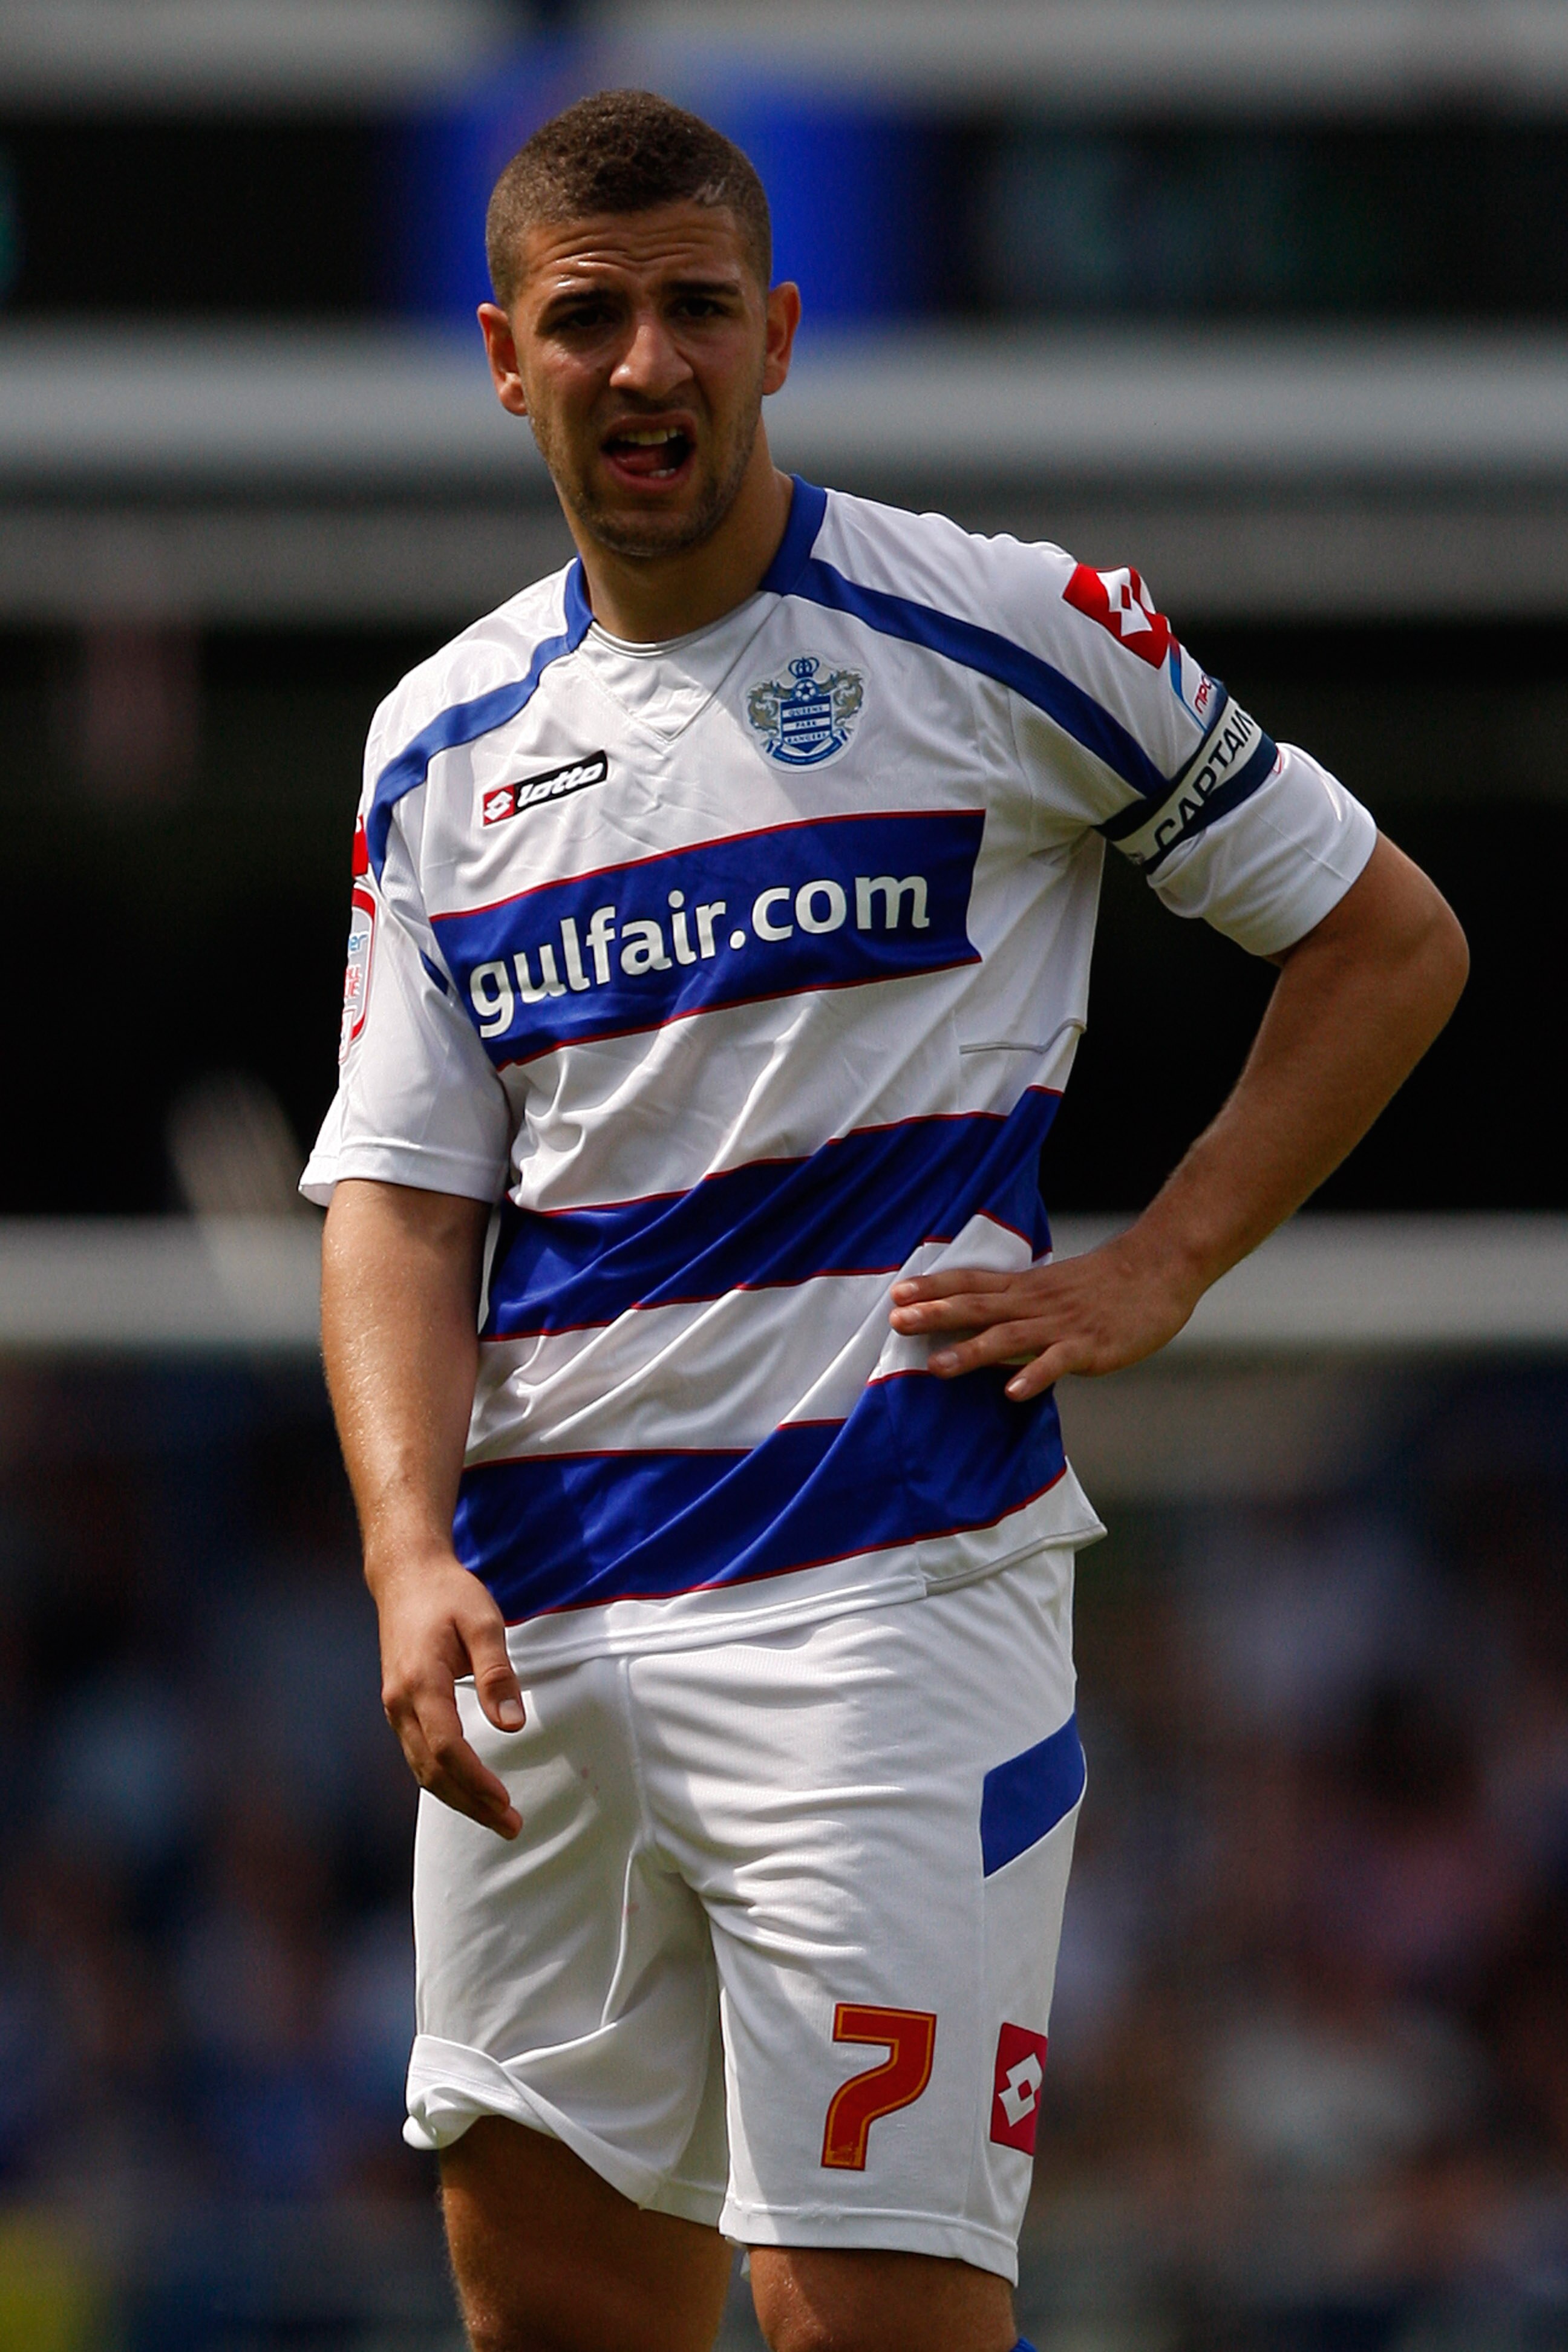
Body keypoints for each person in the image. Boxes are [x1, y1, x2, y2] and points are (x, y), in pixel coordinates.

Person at [306, 88, 1468, 2352]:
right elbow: (404, 1190)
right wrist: (402, 1544)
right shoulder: (436, 741)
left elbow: (1384, 938)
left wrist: (1165, 1262)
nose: (647, 364)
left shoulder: (1006, 630)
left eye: (696, 312)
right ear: (503, 357)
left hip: (879, 1603)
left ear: (781, 331)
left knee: (867, 2317)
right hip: (539, 1637)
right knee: (544, 2316)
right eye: (590, 318)